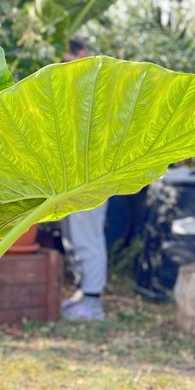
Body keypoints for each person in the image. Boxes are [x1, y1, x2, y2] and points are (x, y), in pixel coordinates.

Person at [60, 37, 108, 321]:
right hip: (75, 175)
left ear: (81, 55)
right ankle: (83, 294)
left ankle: (93, 304)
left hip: (91, 176)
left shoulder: (93, 87)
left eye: (69, 58)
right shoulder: (72, 87)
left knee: (87, 236)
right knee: (75, 237)